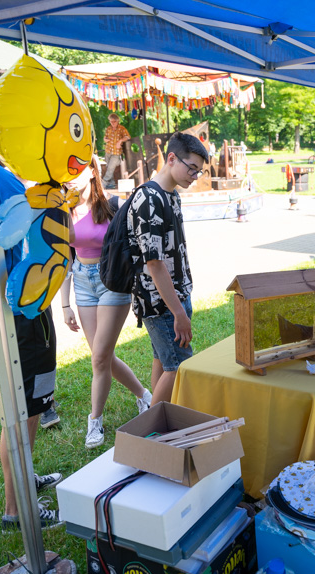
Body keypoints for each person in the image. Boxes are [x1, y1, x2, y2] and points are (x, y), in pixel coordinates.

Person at [0, 153, 63, 530]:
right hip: (21, 311)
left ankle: (24, 480)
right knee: (25, 409)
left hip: (5, 309)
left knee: (21, 406)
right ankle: (17, 510)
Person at [60, 156, 152, 449]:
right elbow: (65, 258)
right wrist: (65, 304)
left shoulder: (112, 206)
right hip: (82, 282)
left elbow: (135, 242)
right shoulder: (62, 210)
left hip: (111, 281)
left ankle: (94, 422)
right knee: (103, 356)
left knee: (99, 356)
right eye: (65, 173)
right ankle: (143, 395)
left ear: (91, 171)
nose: (70, 179)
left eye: (75, 170)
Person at [127, 132, 207, 404]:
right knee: (179, 366)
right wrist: (178, 313)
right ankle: (149, 433)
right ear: (171, 158)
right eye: (192, 168)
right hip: (161, 303)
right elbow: (154, 262)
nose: (194, 176)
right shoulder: (149, 199)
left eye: (199, 171)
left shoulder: (171, 194)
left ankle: (159, 421)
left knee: (163, 360)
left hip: (176, 296)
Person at [102, 113, 130, 190]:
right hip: (108, 151)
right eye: (111, 121)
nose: (112, 123)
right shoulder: (108, 128)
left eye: (114, 121)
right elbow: (105, 137)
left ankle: (103, 183)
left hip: (116, 152)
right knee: (109, 167)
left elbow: (127, 137)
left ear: (117, 121)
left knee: (110, 168)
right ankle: (111, 184)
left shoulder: (122, 128)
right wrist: (105, 139)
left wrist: (120, 140)